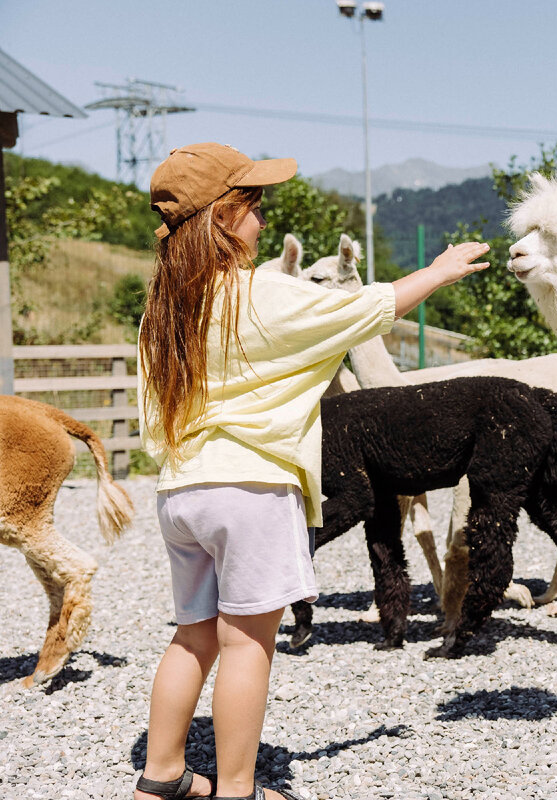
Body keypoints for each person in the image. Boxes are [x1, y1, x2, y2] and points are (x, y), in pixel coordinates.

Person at [132, 142, 489, 800]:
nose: (263, 222)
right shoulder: (258, 294)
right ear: (221, 219)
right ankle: (239, 790)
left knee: (193, 637)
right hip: (249, 490)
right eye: (253, 206)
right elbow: (363, 312)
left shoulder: (162, 312)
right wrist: (438, 270)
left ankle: (160, 778)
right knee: (246, 647)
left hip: (181, 491)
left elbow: (152, 416)